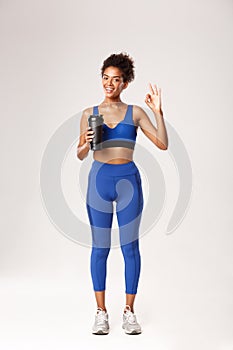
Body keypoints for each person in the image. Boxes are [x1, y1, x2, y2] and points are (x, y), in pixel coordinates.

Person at [77, 52, 168, 335]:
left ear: (124, 83)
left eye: (116, 80)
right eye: (106, 78)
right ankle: (101, 312)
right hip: (99, 181)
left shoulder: (136, 112)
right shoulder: (89, 113)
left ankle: (129, 312)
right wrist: (85, 141)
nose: (109, 84)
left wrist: (158, 111)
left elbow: (162, 144)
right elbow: (81, 155)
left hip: (128, 180)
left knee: (130, 248)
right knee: (100, 248)